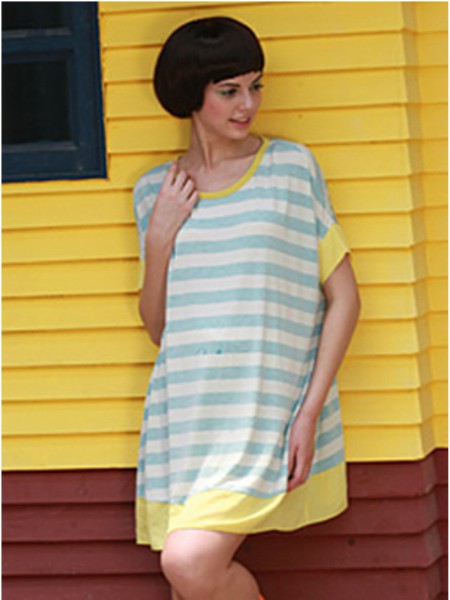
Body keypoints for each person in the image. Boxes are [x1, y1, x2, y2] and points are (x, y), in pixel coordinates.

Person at [133, 16, 360, 600]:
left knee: (188, 564)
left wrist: (308, 413)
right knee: (192, 583)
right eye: (229, 91)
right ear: (191, 95)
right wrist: (160, 237)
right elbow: (159, 328)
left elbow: (344, 298)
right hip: (188, 419)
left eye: (255, 86)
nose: (248, 104)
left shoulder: (290, 170)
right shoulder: (157, 191)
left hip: (265, 413)